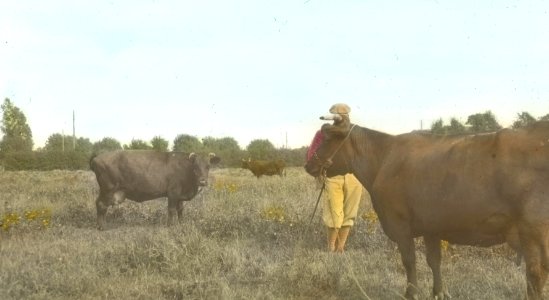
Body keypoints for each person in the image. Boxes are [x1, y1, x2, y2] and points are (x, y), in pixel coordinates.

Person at [306, 103, 364, 253]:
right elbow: (311, 154)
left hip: (354, 178)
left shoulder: (354, 134)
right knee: (334, 214)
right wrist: (323, 164)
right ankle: (331, 248)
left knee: (349, 214)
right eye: (339, 114)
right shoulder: (322, 134)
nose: (343, 117)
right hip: (332, 177)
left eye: (344, 114)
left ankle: (341, 248)